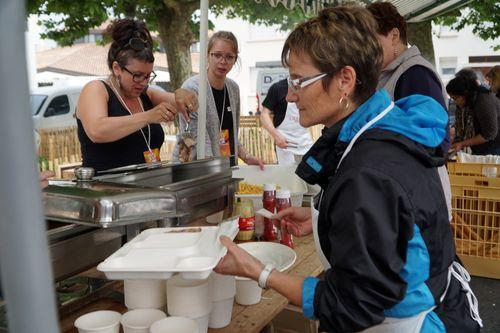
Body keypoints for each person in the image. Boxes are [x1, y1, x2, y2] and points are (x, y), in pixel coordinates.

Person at [215, 5, 481, 332]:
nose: (292, 96)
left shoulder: (368, 171)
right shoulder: (386, 129)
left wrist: (259, 271)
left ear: (345, 79)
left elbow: (352, 305)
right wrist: (322, 219)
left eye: (299, 80)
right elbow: (394, 230)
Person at [367, 1, 453, 220]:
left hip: (419, 200)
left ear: (394, 35)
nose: (365, 49)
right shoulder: (389, 73)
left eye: (370, 40)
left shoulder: (415, 74)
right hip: (405, 195)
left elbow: (434, 145)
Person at [77, 18, 198, 172]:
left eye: (147, 76)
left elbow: (184, 103)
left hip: (147, 186)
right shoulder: (96, 89)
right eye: (137, 75)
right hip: (104, 189)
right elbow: (97, 130)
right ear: (117, 68)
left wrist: (182, 93)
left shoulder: (146, 93)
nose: (142, 82)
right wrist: (148, 116)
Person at [173, 31, 264, 168]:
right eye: (217, 55)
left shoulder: (233, 88)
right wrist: (218, 174)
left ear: (235, 60)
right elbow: (197, 139)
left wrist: (246, 156)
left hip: (225, 169)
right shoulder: (192, 88)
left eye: (229, 57)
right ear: (207, 56)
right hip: (197, 170)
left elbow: (229, 135)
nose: (223, 61)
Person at [260, 79, 313, 165]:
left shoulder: (309, 86)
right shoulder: (277, 88)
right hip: (284, 143)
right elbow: (264, 115)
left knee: (311, 174)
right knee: (287, 176)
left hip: (305, 141)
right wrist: (276, 136)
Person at [447, 76, 500, 155]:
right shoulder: (471, 99)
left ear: (463, 95)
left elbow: (489, 134)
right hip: (484, 146)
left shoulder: (483, 102)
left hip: (495, 145)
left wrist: (462, 143)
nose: (455, 102)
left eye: (455, 98)